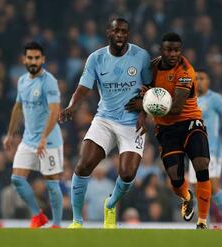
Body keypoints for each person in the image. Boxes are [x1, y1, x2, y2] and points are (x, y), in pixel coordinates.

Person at [59, 17, 152, 229]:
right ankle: (76, 220)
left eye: (124, 31)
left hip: (131, 123)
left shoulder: (141, 56)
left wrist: (143, 113)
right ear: (108, 33)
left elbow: (151, 89)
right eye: (116, 31)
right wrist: (72, 106)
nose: (120, 34)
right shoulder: (96, 58)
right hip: (105, 119)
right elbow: (83, 88)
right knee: (84, 165)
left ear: (128, 34)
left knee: (128, 173)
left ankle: (109, 205)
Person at [126, 32, 211, 229]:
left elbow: (177, 107)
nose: (173, 54)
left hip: (190, 122)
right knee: (175, 177)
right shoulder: (152, 67)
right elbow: (144, 92)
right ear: (161, 50)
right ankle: (186, 197)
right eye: (169, 50)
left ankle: (202, 221)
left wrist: (144, 106)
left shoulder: (185, 70)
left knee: (201, 163)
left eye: (177, 50)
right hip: (166, 129)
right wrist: (142, 116)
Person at [3, 42, 63, 228]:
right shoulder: (22, 81)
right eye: (30, 57)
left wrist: (44, 137)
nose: (33, 61)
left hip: (50, 141)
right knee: (17, 180)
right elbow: (18, 107)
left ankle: (57, 224)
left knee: (52, 185)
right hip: (28, 140)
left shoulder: (49, 81)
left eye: (37, 58)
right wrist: (10, 134)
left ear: (43, 59)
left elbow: (55, 111)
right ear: (24, 59)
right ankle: (38, 215)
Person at [187, 69, 222, 229]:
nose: (199, 81)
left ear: (208, 81)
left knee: (212, 185)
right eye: (196, 78)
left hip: (212, 149)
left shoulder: (215, 99)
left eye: (202, 78)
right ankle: (205, 223)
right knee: (196, 188)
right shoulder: (188, 100)